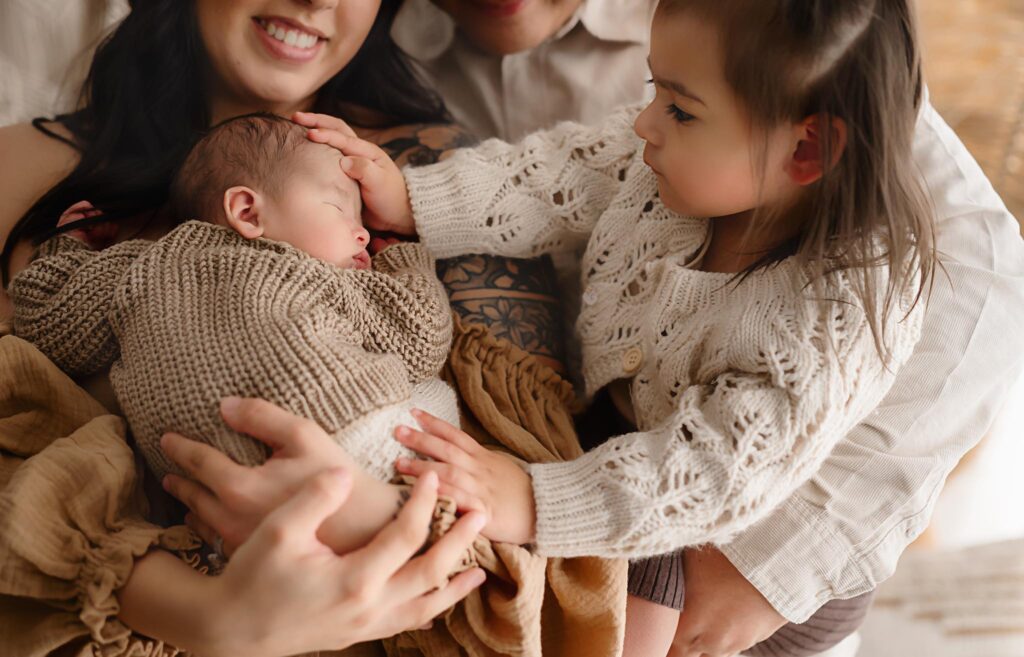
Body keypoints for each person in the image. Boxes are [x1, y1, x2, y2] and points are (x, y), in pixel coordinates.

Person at [301, 0, 939, 655]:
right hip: (632, 427)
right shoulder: (664, 159)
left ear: (807, 148)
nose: (644, 123)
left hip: (729, 511)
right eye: (652, 90)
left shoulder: (838, 310)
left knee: (629, 583)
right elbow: (561, 171)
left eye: (681, 109)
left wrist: (533, 499)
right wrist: (415, 198)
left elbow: (711, 474)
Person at [0, 1, 490, 654]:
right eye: (347, 215)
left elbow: (547, 534)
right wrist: (208, 616)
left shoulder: (449, 180)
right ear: (246, 210)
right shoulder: (20, 166)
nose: (317, 0)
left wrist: (369, 516)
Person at [9, 112, 462, 556]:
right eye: (342, 208)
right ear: (247, 211)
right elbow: (422, 337)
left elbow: (47, 322)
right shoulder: (309, 274)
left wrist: (70, 245)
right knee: (434, 391)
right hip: (361, 451)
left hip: (224, 517)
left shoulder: (137, 267)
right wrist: (407, 261)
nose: (363, 234)